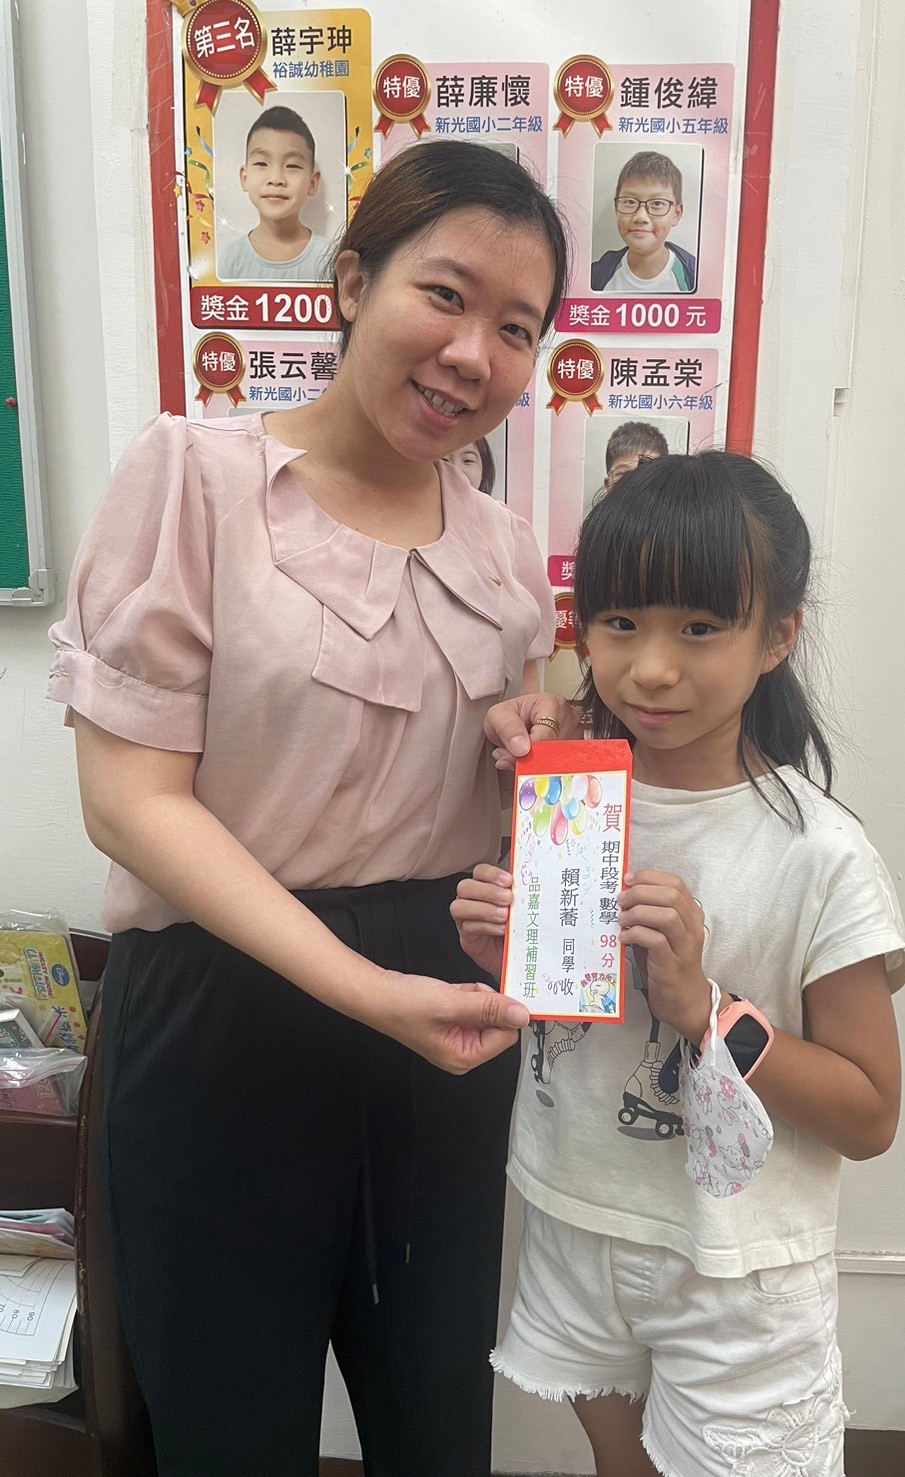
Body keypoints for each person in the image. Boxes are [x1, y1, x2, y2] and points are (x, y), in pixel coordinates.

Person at [47, 139, 573, 1477]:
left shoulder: (505, 550)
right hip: (224, 1014)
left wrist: (528, 763)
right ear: (350, 284)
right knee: (229, 1435)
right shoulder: (192, 479)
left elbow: (498, 809)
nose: (473, 354)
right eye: (444, 295)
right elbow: (131, 805)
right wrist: (361, 986)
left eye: (517, 328)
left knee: (436, 1428)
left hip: (439, 1023)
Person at [453, 452, 905, 1477]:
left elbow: (870, 1113)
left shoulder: (821, 854)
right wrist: (508, 958)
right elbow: (567, 1024)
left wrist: (707, 1010)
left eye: (700, 628)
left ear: (777, 637)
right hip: (576, 1219)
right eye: (620, 622)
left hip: (737, 1268)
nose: (652, 668)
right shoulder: (564, 799)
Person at [219, 105, 334, 281]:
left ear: (312, 183)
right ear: (245, 178)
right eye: (261, 164)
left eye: (292, 166)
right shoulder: (230, 261)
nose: (276, 178)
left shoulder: (329, 258)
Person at [591, 151, 697, 294]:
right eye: (629, 202)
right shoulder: (596, 276)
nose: (641, 217)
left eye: (657, 203)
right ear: (616, 208)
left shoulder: (694, 277)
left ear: (676, 214)